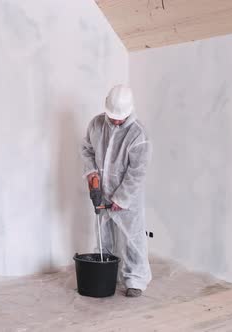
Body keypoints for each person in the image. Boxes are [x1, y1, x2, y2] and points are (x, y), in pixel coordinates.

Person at [81, 84, 152, 297]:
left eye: (121, 117)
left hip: (128, 197)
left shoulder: (138, 134)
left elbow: (137, 172)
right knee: (103, 235)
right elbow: (87, 150)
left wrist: (122, 198)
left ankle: (135, 280)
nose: (117, 121)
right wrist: (91, 174)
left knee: (132, 238)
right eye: (113, 117)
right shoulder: (96, 124)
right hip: (102, 190)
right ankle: (106, 274)